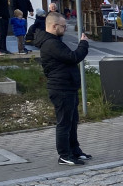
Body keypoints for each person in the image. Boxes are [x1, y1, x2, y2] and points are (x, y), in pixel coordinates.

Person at [36, 12, 90, 166]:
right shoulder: (51, 43)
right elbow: (73, 57)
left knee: (72, 122)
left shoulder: (55, 41)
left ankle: (75, 151)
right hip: (60, 88)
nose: (66, 29)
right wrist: (83, 44)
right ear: (54, 26)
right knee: (64, 123)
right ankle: (64, 155)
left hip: (68, 86)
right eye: (64, 26)